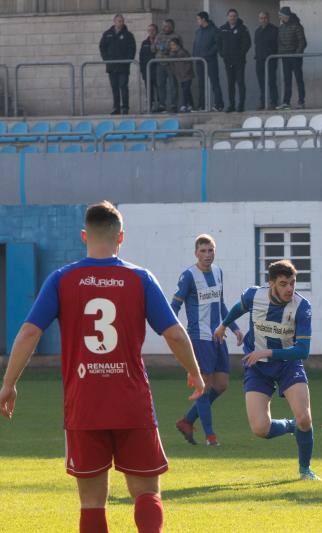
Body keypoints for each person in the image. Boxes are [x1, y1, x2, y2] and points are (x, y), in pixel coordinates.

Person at [0, 201, 205, 533]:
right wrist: (194, 372)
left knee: (92, 503)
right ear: (120, 238)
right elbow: (175, 333)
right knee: (147, 494)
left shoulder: (62, 279)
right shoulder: (139, 278)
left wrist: (8, 383)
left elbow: (28, 332)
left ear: (84, 236)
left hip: (84, 405)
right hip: (132, 403)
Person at [214, 260, 320, 481]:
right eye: (283, 284)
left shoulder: (302, 307)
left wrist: (267, 353)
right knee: (260, 429)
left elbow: (303, 350)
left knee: (304, 418)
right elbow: (238, 308)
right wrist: (224, 325)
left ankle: (305, 470)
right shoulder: (254, 296)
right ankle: (290, 426)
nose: (289, 289)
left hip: (288, 365)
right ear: (271, 283)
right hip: (258, 368)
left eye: (292, 283)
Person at [173, 234, 243, 447]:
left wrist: (234, 327)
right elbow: (174, 306)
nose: (207, 254)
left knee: (221, 385)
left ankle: (187, 420)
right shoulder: (188, 276)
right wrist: (174, 333)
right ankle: (210, 436)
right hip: (199, 338)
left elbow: (220, 304)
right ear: (196, 253)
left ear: (215, 251)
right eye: (202, 251)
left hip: (218, 336)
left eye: (210, 250)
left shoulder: (219, 272)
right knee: (203, 387)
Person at [99, 14, 136, 115]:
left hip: (123, 67)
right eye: (118, 21)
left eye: (122, 21)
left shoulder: (128, 35)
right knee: (114, 87)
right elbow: (102, 48)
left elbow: (132, 49)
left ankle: (125, 108)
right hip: (112, 66)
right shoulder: (107, 34)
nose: (120, 23)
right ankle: (116, 108)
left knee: (123, 86)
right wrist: (107, 59)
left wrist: (127, 61)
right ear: (114, 21)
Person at [217, 8, 251, 113]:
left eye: (234, 16)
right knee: (230, 83)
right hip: (228, 61)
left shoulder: (243, 28)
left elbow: (247, 44)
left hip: (239, 61)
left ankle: (241, 105)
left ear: (237, 17)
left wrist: (240, 54)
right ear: (227, 17)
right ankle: (231, 105)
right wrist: (222, 54)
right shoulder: (222, 29)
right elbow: (218, 43)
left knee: (240, 82)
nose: (232, 18)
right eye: (231, 16)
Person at [277, 6, 307, 110]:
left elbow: (302, 42)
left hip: (295, 57)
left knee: (299, 79)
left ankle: (301, 101)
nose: (280, 18)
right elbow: (279, 43)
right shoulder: (281, 28)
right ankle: (286, 102)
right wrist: (281, 53)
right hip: (285, 57)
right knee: (287, 80)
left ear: (286, 16)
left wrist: (296, 54)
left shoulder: (297, 26)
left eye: (281, 16)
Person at [194, 12, 225, 112]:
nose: (197, 21)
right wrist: (194, 55)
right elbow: (195, 44)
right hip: (199, 61)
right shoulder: (198, 31)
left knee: (214, 82)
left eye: (198, 19)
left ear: (203, 19)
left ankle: (219, 104)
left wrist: (208, 54)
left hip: (210, 60)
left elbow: (217, 45)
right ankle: (201, 105)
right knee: (201, 83)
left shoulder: (214, 30)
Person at [154, 19, 181, 113]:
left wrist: (164, 48)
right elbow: (154, 47)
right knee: (160, 85)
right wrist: (157, 46)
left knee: (173, 84)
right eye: (164, 26)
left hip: (171, 64)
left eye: (168, 26)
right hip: (160, 63)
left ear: (172, 27)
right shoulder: (159, 35)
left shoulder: (176, 36)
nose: (166, 28)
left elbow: (177, 49)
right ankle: (162, 104)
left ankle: (174, 104)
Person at [254, 11, 279, 110]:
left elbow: (277, 45)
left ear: (268, 18)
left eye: (265, 18)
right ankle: (263, 102)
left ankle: (274, 102)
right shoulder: (257, 31)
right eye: (261, 18)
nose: (263, 20)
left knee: (271, 81)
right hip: (259, 60)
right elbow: (256, 44)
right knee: (261, 82)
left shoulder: (274, 30)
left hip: (270, 60)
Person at [167, 38, 195, 112]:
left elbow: (189, 63)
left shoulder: (183, 52)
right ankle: (192, 105)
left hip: (187, 75)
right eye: (171, 45)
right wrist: (177, 73)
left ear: (178, 45)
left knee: (185, 90)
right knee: (187, 90)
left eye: (173, 45)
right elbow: (172, 65)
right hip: (180, 76)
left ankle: (184, 105)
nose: (172, 46)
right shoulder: (171, 54)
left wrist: (185, 72)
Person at [139, 24, 158, 112]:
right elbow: (141, 58)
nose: (151, 32)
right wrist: (143, 71)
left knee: (158, 88)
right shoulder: (144, 43)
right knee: (149, 89)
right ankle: (150, 106)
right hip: (147, 70)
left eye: (153, 30)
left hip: (157, 69)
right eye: (149, 30)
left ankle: (159, 106)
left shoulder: (159, 41)